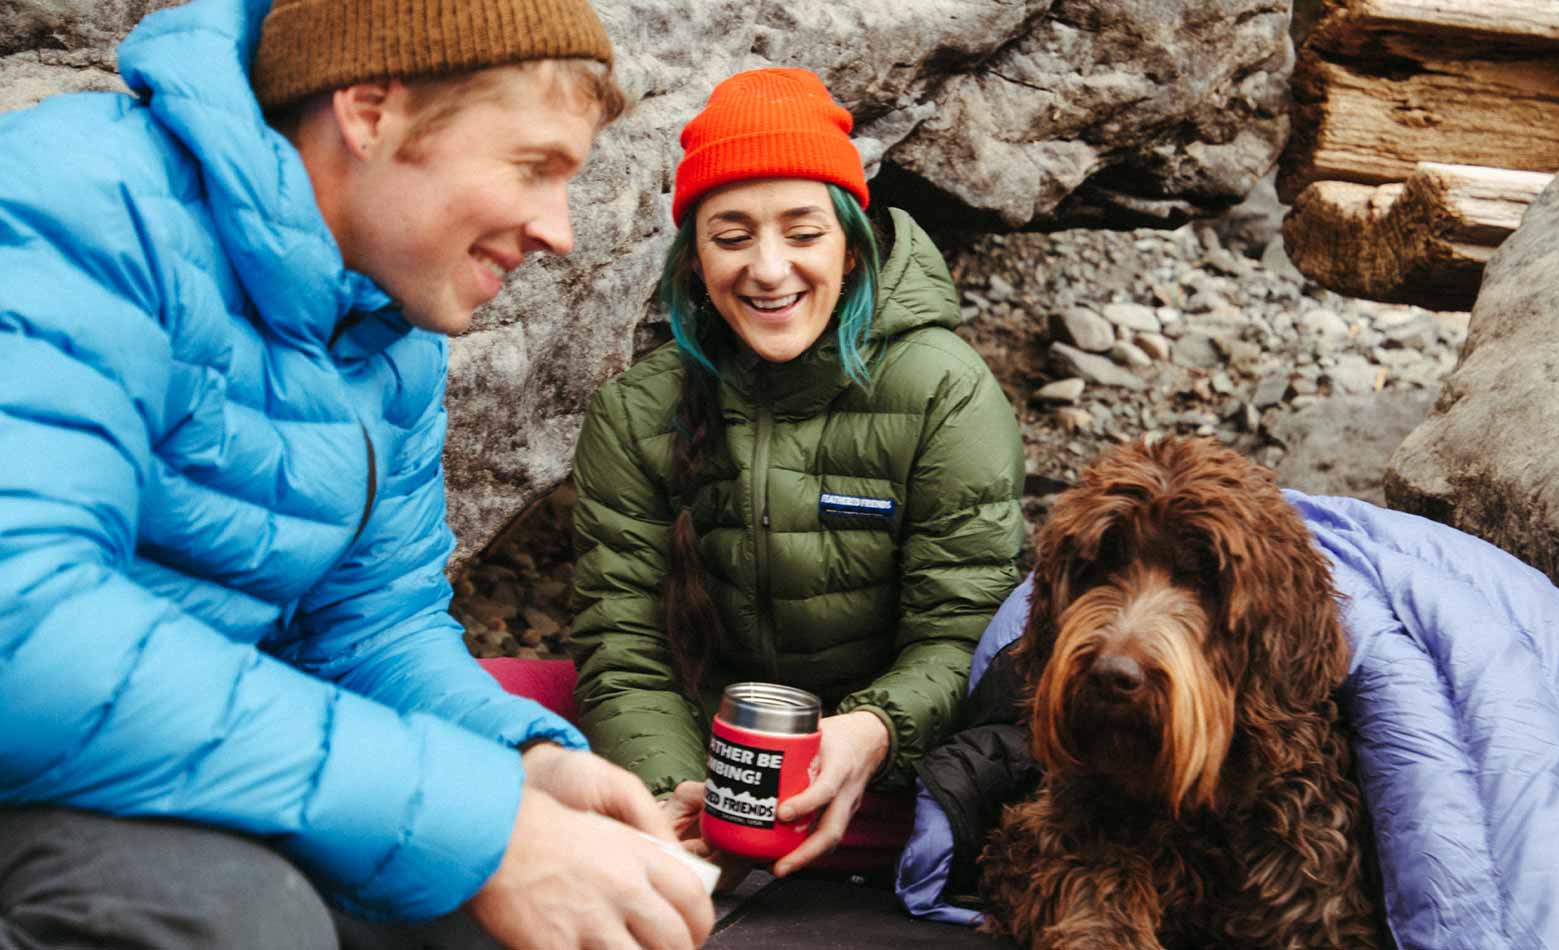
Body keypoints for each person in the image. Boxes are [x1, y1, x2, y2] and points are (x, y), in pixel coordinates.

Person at [0, 0, 713, 948]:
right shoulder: (77, 204)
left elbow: (366, 627)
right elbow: (23, 626)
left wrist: (524, 764)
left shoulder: (385, 334)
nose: (560, 230)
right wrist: (478, 821)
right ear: (370, 112)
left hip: (179, 757)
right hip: (38, 759)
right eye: (533, 167)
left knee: (534, 909)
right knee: (237, 920)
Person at [566, 67, 1027, 881]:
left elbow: (964, 632)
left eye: (803, 233)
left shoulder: (944, 391)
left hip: (884, 766)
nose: (770, 269)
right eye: (732, 237)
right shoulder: (636, 412)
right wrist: (669, 794)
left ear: (850, 248)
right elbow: (624, 647)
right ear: (695, 259)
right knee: (496, 704)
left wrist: (872, 733)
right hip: (708, 759)